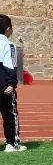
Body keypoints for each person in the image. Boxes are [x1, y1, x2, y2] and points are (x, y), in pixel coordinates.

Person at [0, 14, 26, 153]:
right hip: (3, 85)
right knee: (10, 114)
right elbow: (9, 65)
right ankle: (12, 143)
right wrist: (11, 83)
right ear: (8, 29)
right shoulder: (8, 44)